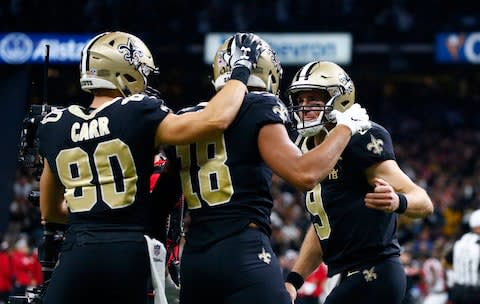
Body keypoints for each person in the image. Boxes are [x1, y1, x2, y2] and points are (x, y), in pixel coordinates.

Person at [37, 31, 261, 304]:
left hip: (76, 253)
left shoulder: (55, 124)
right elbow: (216, 120)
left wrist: (93, 215)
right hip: (126, 253)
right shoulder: (136, 111)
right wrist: (241, 71)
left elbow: (50, 211)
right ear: (125, 69)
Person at [164, 34, 371, 304]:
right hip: (243, 252)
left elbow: (163, 200)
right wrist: (346, 127)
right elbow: (304, 174)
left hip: (195, 258)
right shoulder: (259, 105)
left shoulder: (185, 118)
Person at [283, 61, 434, 304]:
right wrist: (294, 279)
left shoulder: (361, 136)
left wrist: (398, 201)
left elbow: (424, 202)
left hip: (375, 270)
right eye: (300, 100)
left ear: (339, 99)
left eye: (313, 99)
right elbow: (323, 225)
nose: (304, 107)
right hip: (346, 274)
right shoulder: (304, 146)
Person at [444, 209, 480, 304]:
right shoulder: (478, 243)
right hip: (475, 293)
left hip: (456, 291)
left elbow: (447, 260)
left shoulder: (460, 241)